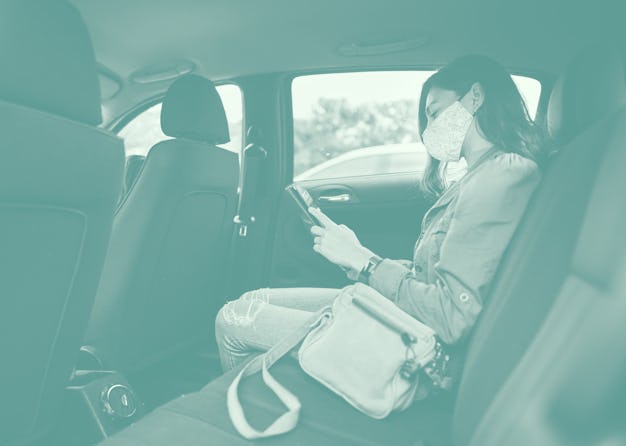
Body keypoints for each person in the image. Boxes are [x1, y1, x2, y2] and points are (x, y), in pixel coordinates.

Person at [215, 55, 544, 379]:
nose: (429, 130)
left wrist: (366, 264)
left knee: (232, 318)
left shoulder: (502, 176)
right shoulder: (479, 176)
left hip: (422, 354)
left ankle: (246, 411)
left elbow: (450, 317)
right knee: (254, 299)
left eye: (434, 113)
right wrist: (359, 257)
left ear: (475, 97)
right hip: (407, 322)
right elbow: (431, 276)